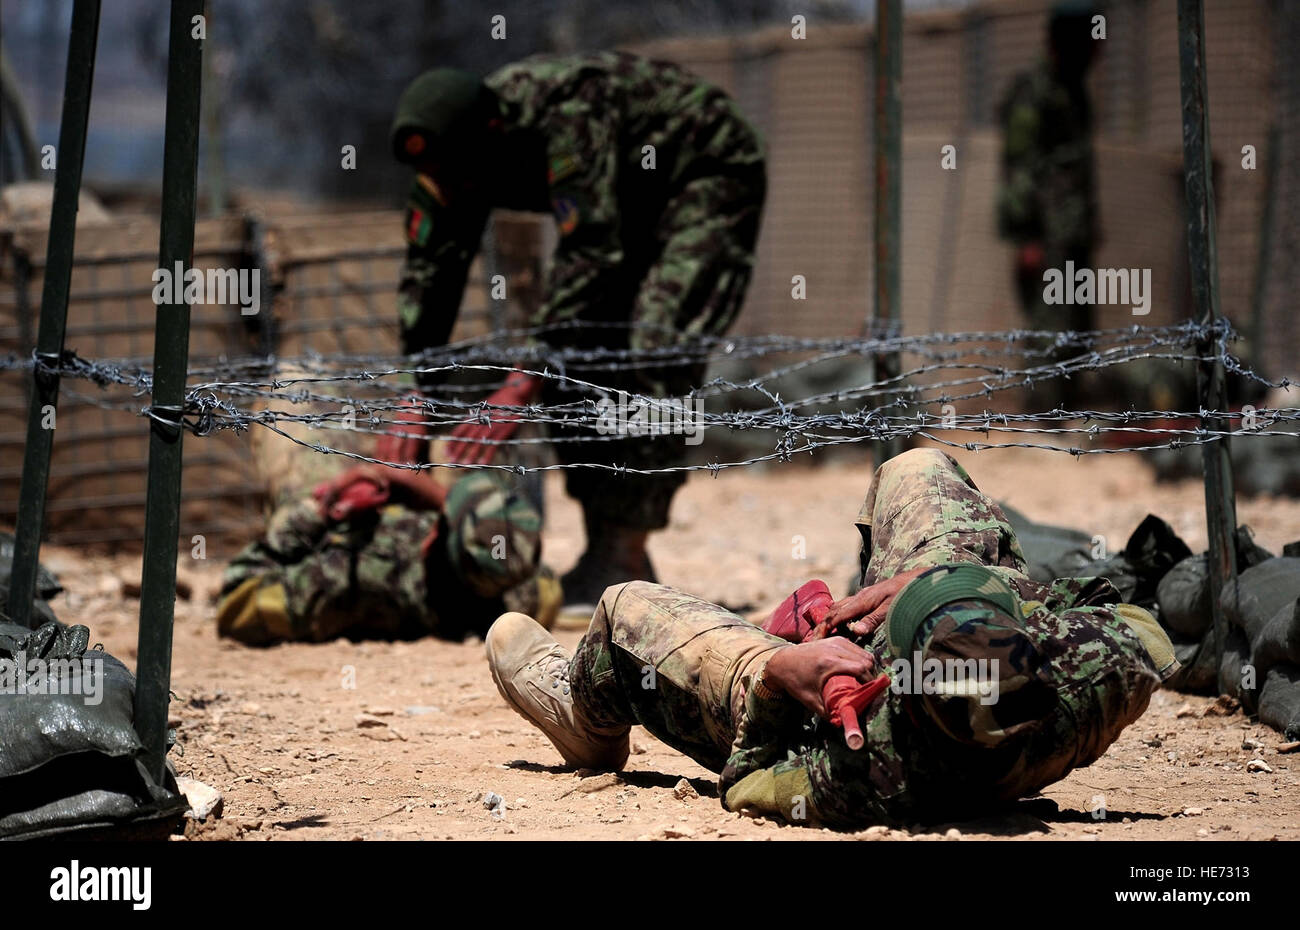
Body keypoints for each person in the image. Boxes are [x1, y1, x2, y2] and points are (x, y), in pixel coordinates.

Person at [484, 448, 1178, 828]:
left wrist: (783, 677)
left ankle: (585, 717)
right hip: (981, 636)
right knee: (917, 469)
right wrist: (948, 582)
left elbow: (749, 781)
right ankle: (936, 584)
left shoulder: (870, 772)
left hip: (815, 718)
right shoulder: (1081, 677)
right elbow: (1138, 624)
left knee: (621, 609)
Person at [388, 50, 767, 605]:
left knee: (649, 352)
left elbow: (591, 246)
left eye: (459, 174)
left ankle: (623, 551)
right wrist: (418, 387)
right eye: (436, 176)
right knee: (577, 358)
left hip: (701, 171)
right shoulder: (448, 155)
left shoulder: (567, 115)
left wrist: (522, 380)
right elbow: (431, 271)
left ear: (493, 136)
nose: (449, 186)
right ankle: (610, 549)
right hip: (621, 199)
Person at [216, 464, 559, 645]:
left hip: (323, 503)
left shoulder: (350, 577)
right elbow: (535, 574)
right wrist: (431, 494)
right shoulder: (516, 594)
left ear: (439, 531)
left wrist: (321, 505)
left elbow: (235, 603)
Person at [997, 1, 1100, 410]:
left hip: (1073, 231)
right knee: (1048, 327)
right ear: (1066, 39)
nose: (1099, 47)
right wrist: (1027, 235)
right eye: (1091, 36)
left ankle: (1070, 413)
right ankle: (1046, 416)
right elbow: (1020, 166)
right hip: (1046, 233)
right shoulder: (1035, 91)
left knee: (1077, 326)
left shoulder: (1074, 90)